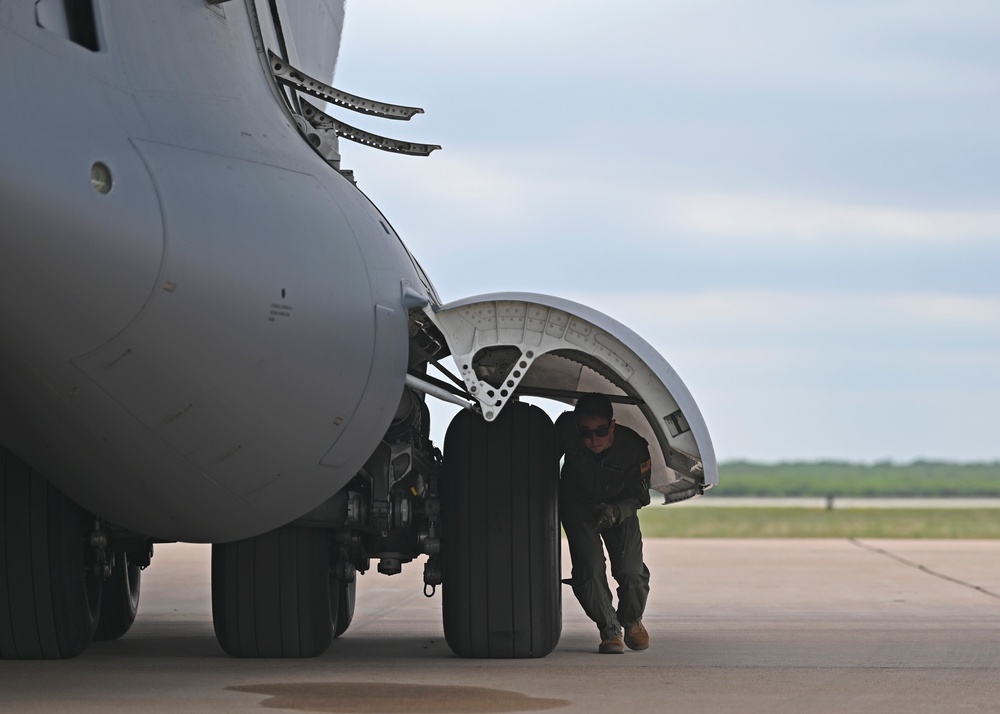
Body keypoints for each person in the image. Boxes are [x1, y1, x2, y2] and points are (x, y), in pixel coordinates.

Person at [556, 393, 652, 654]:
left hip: (620, 508)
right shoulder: (565, 431)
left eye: (600, 431)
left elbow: (641, 495)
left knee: (631, 572)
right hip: (579, 508)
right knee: (590, 568)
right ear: (577, 429)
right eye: (586, 433)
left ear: (612, 425)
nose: (593, 440)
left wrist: (617, 511)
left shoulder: (633, 447)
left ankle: (632, 621)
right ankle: (609, 629)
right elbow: (538, 462)